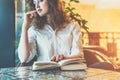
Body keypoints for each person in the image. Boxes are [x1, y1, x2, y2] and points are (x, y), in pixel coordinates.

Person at [18, 0, 83, 65]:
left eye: (40, 1)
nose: (37, 6)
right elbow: (23, 58)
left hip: (68, 72)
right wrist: (25, 25)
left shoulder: (73, 27)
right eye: (34, 2)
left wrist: (64, 58)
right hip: (43, 73)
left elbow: (78, 55)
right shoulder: (34, 30)